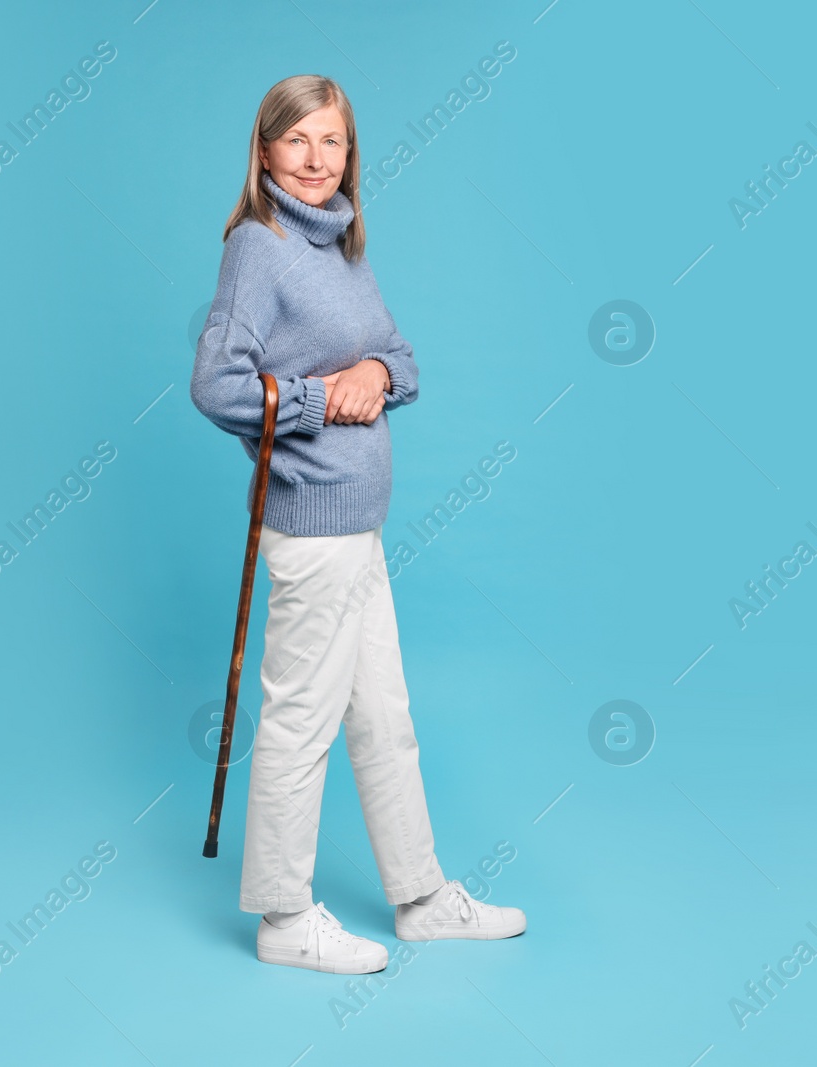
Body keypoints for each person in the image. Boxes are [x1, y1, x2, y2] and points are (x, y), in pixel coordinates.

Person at [190, 74, 526, 974]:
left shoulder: (341, 244)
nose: (314, 159)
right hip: (312, 528)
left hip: (361, 526)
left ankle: (419, 899)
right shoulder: (257, 249)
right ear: (264, 153)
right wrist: (314, 402)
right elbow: (218, 384)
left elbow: (404, 361)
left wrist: (375, 371)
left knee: (384, 717)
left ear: (350, 156)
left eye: (331, 142)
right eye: (296, 141)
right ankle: (283, 917)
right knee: (302, 722)